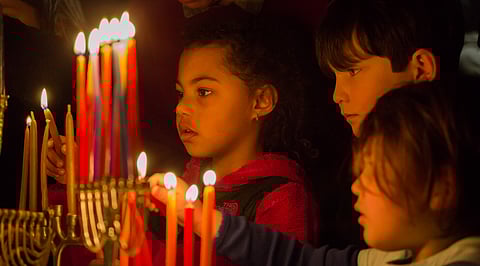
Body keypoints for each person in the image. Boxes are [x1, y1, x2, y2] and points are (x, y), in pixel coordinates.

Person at [150, 80, 480, 266]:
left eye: (374, 173)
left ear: (442, 188)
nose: (357, 186)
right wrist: (199, 217)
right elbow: (297, 260)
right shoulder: (394, 257)